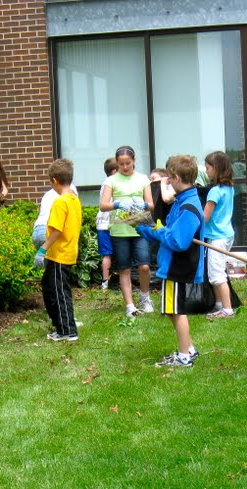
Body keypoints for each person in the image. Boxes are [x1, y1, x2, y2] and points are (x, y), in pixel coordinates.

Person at [136, 155, 205, 368]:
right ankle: (189, 348)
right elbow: (167, 231)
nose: (166, 182)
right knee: (171, 309)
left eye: (168, 178)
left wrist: (159, 231)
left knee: (176, 310)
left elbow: (178, 241)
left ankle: (184, 357)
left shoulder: (189, 207)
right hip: (173, 265)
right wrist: (144, 229)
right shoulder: (181, 201)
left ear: (175, 177)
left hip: (179, 266)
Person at [99, 145, 154, 317]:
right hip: (119, 230)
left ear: (134, 160)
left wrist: (143, 205)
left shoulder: (143, 179)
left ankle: (145, 297)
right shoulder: (111, 181)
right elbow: (103, 205)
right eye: (121, 164)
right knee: (124, 268)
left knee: (144, 266)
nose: (125, 166)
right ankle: (130, 305)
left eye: (128, 163)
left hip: (140, 228)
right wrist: (117, 204)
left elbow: (151, 205)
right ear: (117, 163)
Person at [33, 159, 82, 342]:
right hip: (65, 252)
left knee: (60, 293)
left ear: (54, 180)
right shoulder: (74, 199)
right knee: (49, 287)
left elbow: (57, 230)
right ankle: (61, 326)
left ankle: (67, 331)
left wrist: (42, 249)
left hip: (60, 254)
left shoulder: (60, 202)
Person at [203, 151, 236, 318]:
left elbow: (205, 217)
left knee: (217, 274)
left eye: (208, 168)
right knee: (216, 271)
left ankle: (227, 310)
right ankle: (219, 304)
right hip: (227, 235)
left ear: (216, 169)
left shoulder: (214, 191)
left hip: (217, 238)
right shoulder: (229, 188)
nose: (206, 171)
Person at [32, 181, 78, 250]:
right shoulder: (70, 189)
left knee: (43, 256)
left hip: (37, 231)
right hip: (49, 230)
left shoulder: (48, 194)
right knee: (56, 256)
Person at [96, 157, 117, 290]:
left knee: (106, 253)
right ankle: (107, 280)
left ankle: (105, 281)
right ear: (114, 171)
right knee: (111, 253)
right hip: (111, 223)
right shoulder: (112, 183)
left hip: (102, 223)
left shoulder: (105, 183)